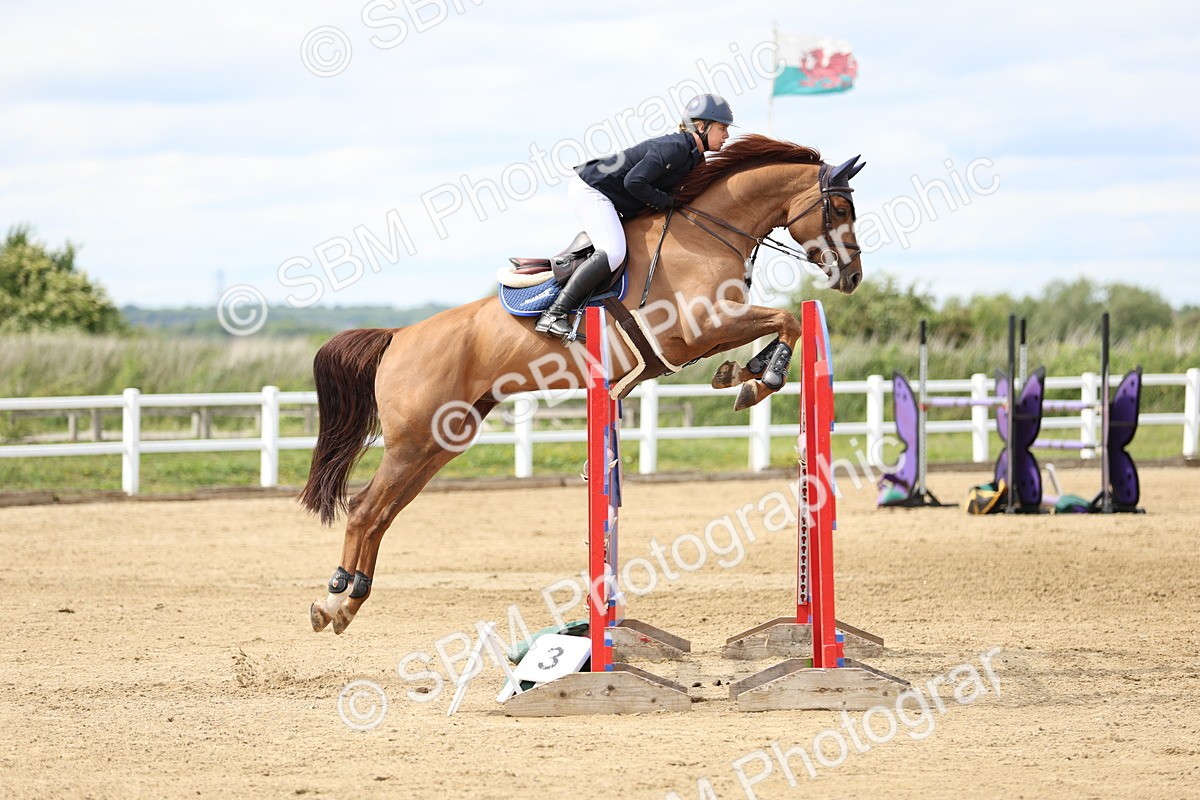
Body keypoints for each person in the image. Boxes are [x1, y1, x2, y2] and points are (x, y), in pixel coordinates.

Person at [535, 93, 735, 338]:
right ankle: (553, 313)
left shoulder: (695, 158)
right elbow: (634, 181)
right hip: (593, 189)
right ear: (702, 126)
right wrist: (667, 202)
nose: (726, 135)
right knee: (613, 251)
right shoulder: (675, 148)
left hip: (613, 195)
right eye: (722, 128)